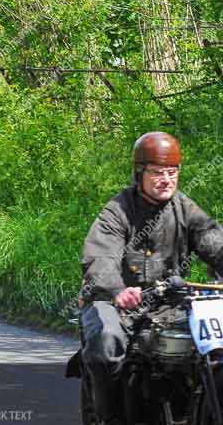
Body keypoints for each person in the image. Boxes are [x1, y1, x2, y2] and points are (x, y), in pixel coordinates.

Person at [80, 131, 223, 424]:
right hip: (116, 304)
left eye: (173, 172)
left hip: (170, 304)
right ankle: (112, 418)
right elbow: (101, 256)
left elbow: (213, 241)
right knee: (107, 342)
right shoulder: (118, 211)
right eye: (158, 172)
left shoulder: (185, 208)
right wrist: (118, 290)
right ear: (139, 172)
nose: (167, 179)